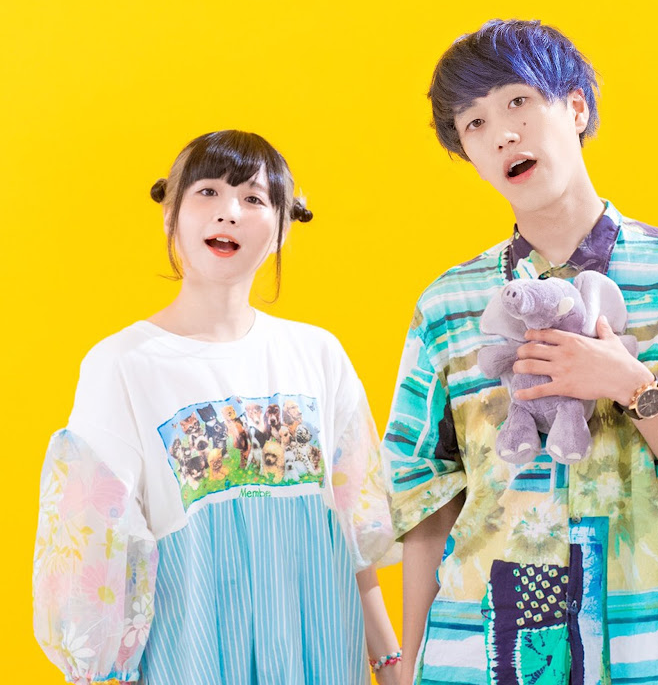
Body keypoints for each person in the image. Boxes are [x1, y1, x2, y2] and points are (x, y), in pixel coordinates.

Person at [381, 20, 658, 685]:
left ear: (576, 107)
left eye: (518, 102)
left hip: (640, 644)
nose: (501, 134)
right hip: (476, 651)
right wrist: (407, 667)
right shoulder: (448, 304)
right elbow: (426, 500)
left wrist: (630, 385)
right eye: (474, 123)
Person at [33, 130, 403, 685]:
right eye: (207, 191)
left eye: (253, 198)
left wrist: (390, 663)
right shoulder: (122, 365)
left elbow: (356, 534)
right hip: (192, 655)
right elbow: (92, 552)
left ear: (282, 228)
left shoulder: (317, 355)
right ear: (171, 215)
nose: (229, 211)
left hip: (323, 650)